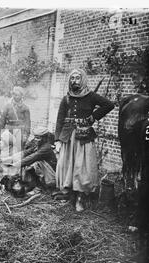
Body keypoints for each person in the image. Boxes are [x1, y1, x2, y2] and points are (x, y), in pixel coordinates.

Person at [55, 68, 114, 212]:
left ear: (83, 79)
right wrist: (57, 139)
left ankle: (81, 197)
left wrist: (93, 117)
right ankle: (68, 193)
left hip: (84, 137)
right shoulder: (66, 98)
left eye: (77, 78)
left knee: (82, 166)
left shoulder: (91, 96)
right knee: (67, 165)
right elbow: (59, 119)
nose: (74, 81)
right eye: (72, 78)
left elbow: (109, 105)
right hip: (68, 137)